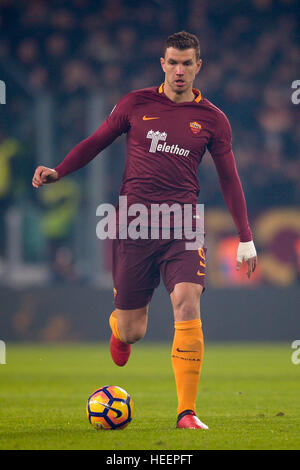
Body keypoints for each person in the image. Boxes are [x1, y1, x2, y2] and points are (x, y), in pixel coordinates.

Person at [32, 31, 257, 430]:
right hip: (134, 225)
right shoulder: (135, 104)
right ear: (163, 64)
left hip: (183, 225)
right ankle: (119, 328)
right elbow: (97, 141)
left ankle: (186, 413)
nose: (179, 70)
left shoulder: (213, 120)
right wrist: (58, 171)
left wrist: (246, 237)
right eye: (173, 62)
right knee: (133, 330)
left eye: (187, 63)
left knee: (187, 303)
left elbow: (229, 179)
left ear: (198, 67)